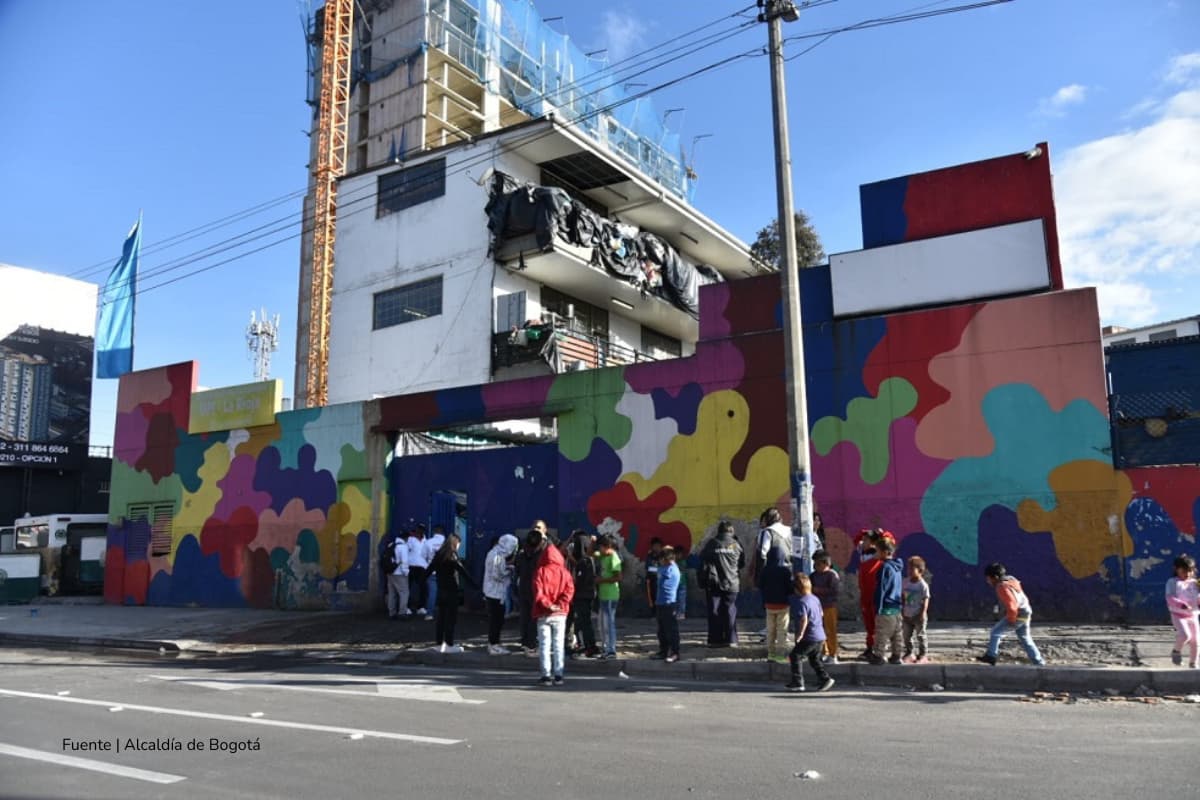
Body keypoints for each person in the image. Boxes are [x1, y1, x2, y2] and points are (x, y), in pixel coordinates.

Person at [978, 562, 1045, 666]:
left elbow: (1012, 606)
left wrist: (1011, 619)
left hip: (1018, 613)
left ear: (995, 577)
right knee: (1025, 638)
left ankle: (991, 656)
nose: (988, 581)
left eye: (989, 578)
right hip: (1026, 611)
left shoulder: (1001, 587)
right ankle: (1039, 662)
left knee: (996, 632)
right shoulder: (1011, 579)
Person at [533, 530, 575, 686]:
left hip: (544, 613)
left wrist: (548, 605)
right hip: (561, 613)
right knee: (558, 645)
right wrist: (561, 604)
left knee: (544, 645)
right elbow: (569, 590)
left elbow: (538, 593)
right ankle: (559, 675)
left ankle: (546, 676)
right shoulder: (565, 572)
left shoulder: (540, 571)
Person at [785, 573, 836, 693]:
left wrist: (800, 634)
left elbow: (804, 619)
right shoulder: (814, 598)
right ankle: (825, 679)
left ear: (797, 589)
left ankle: (798, 682)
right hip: (820, 636)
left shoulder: (801, 602)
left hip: (809, 637)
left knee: (795, 656)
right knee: (814, 659)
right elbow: (821, 613)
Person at [700, 521, 745, 647]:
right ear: (731, 531)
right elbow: (742, 563)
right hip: (732, 583)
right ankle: (731, 639)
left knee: (714, 610)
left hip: (714, 582)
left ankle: (715, 640)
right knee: (730, 610)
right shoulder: (736, 544)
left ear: (719, 531)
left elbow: (702, 558)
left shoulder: (712, 543)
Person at [758, 508, 794, 664]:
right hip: (785, 592)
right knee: (782, 628)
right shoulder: (790, 530)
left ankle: (771, 654)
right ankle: (781, 654)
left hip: (769, 598)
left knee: (771, 628)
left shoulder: (767, 533)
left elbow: (762, 553)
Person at [428, 532, 475, 653]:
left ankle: (439, 643)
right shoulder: (452, 556)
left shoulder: (439, 555)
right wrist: (475, 586)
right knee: (451, 619)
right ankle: (449, 644)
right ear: (456, 543)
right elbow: (462, 572)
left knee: (441, 618)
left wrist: (420, 580)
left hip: (441, 590)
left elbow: (429, 569)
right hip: (451, 592)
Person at [515, 521, 548, 655]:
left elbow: (518, 568)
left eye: (539, 527)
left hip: (526, 587)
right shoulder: (540, 553)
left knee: (527, 616)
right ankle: (530, 643)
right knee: (532, 616)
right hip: (533, 588)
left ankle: (526, 642)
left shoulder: (523, 552)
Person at [483, 533, 519, 655]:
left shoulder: (495, 553)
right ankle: (493, 645)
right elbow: (497, 575)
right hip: (495, 593)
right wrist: (509, 570)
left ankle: (495, 642)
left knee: (497, 620)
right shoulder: (496, 555)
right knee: (496, 620)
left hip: (494, 592)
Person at [870, 538, 903, 665]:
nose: (875, 554)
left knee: (882, 633)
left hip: (885, 606)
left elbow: (881, 588)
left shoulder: (884, 567)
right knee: (896, 633)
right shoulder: (897, 568)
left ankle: (879, 655)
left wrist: (877, 607)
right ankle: (896, 655)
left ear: (884, 552)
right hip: (896, 606)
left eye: (877, 551)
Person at [1165, 555, 1200, 668]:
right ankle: (1176, 651)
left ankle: (1193, 663)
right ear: (1176, 570)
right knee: (1185, 635)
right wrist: (1181, 605)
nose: (1188, 574)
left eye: (1190, 571)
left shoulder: (1195, 583)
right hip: (1178, 615)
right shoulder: (1172, 582)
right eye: (1184, 571)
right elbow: (1169, 598)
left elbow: (1198, 597)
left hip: (1193, 615)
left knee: (1196, 641)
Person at [568, 531, 599, 658]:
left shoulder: (585, 561)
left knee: (584, 623)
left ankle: (589, 647)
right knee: (584, 622)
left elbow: (580, 580)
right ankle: (588, 646)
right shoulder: (589, 560)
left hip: (582, 596)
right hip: (588, 594)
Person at [855, 528, 884, 659]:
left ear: (873, 543)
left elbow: (889, 540)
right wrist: (864, 532)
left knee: (876, 622)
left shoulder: (878, 555)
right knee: (868, 623)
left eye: (866, 540)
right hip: (865, 592)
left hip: (874, 592)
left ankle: (878, 648)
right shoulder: (862, 552)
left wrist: (880, 534)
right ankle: (870, 647)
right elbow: (856, 540)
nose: (862, 542)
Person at [809, 550, 840, 663]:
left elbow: (835, 591)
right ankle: (823, 651)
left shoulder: (832, 575)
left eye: (818, 564)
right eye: (815, 564)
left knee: (830, 630)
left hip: (829, 606)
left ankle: (833, 653)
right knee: (819, 630)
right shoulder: (813, 576)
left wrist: (819, 590)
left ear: (826, 563)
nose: (816, 566)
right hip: (817, 607)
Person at [596, 534, 623, 658]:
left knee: (609, 624)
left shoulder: (614, 557)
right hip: (603, 595)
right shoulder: (604, 556)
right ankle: (606, 648)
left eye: (600, 546)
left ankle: (611, 650)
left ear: (608, 546)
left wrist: (601, 580)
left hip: (610, 596)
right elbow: (590, 553)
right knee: (602, 624)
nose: (599, 549)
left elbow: (619, 577)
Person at [654, 546, 682, 662]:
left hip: (669, 603)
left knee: (671, 630)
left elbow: (661, 582)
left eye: (661, 559)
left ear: (666, 559)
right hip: (660, 602)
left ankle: (675, 652)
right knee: (661, 630)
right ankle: (663, 651)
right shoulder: (663, 568)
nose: (660, 561)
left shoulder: (671, 569)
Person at [901, 556, 931, 664]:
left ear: (920, 571)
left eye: (912, 569)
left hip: (918, 615)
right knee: (906, 636)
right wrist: (902, 610)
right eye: (908, 568)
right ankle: (909, 653)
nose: (909, 571)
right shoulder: (905, 582)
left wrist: (922, 613)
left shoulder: (923, 585)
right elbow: (902, 597)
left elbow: (925, 599)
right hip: (906, 615)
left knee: (921, 636)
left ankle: (923, 655)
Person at [384, 531, 411, 619]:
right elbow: (404, 561)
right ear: (406, 538)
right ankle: (402, 613)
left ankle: (391, 613)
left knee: (392, 593)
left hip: (390, 572)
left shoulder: (391, 544)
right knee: (404, 593)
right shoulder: (403, 547)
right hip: (400, 573)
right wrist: (406, 572)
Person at [423, 524, 447, 620]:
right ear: (443, 532)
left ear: (434, 532)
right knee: (445, 592)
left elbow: (422, 556)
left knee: (432, 593)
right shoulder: (447, 543)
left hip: (432, 571)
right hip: (445, 572)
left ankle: (429, 614)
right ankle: (445, 614)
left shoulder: (428, 542)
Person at [406, 524, 430, 617]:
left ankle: (421, 607)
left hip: (422, 567)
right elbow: (406, 551)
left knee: (423, 588)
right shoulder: (410, 539)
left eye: (422, 530)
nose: (420, 531)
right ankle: (407, 607)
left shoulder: (426, 541)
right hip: (411, 566)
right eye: (419, 529)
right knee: (407, 587)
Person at [644, 537, 664, 615]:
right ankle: (653, 613)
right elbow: (648, 567)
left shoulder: (663, 556)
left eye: (658, 546)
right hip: (651, 580)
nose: (656, 548)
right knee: (652, 597)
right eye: (655, 546)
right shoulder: (650, 556)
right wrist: (658, 570)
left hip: (661, 581)